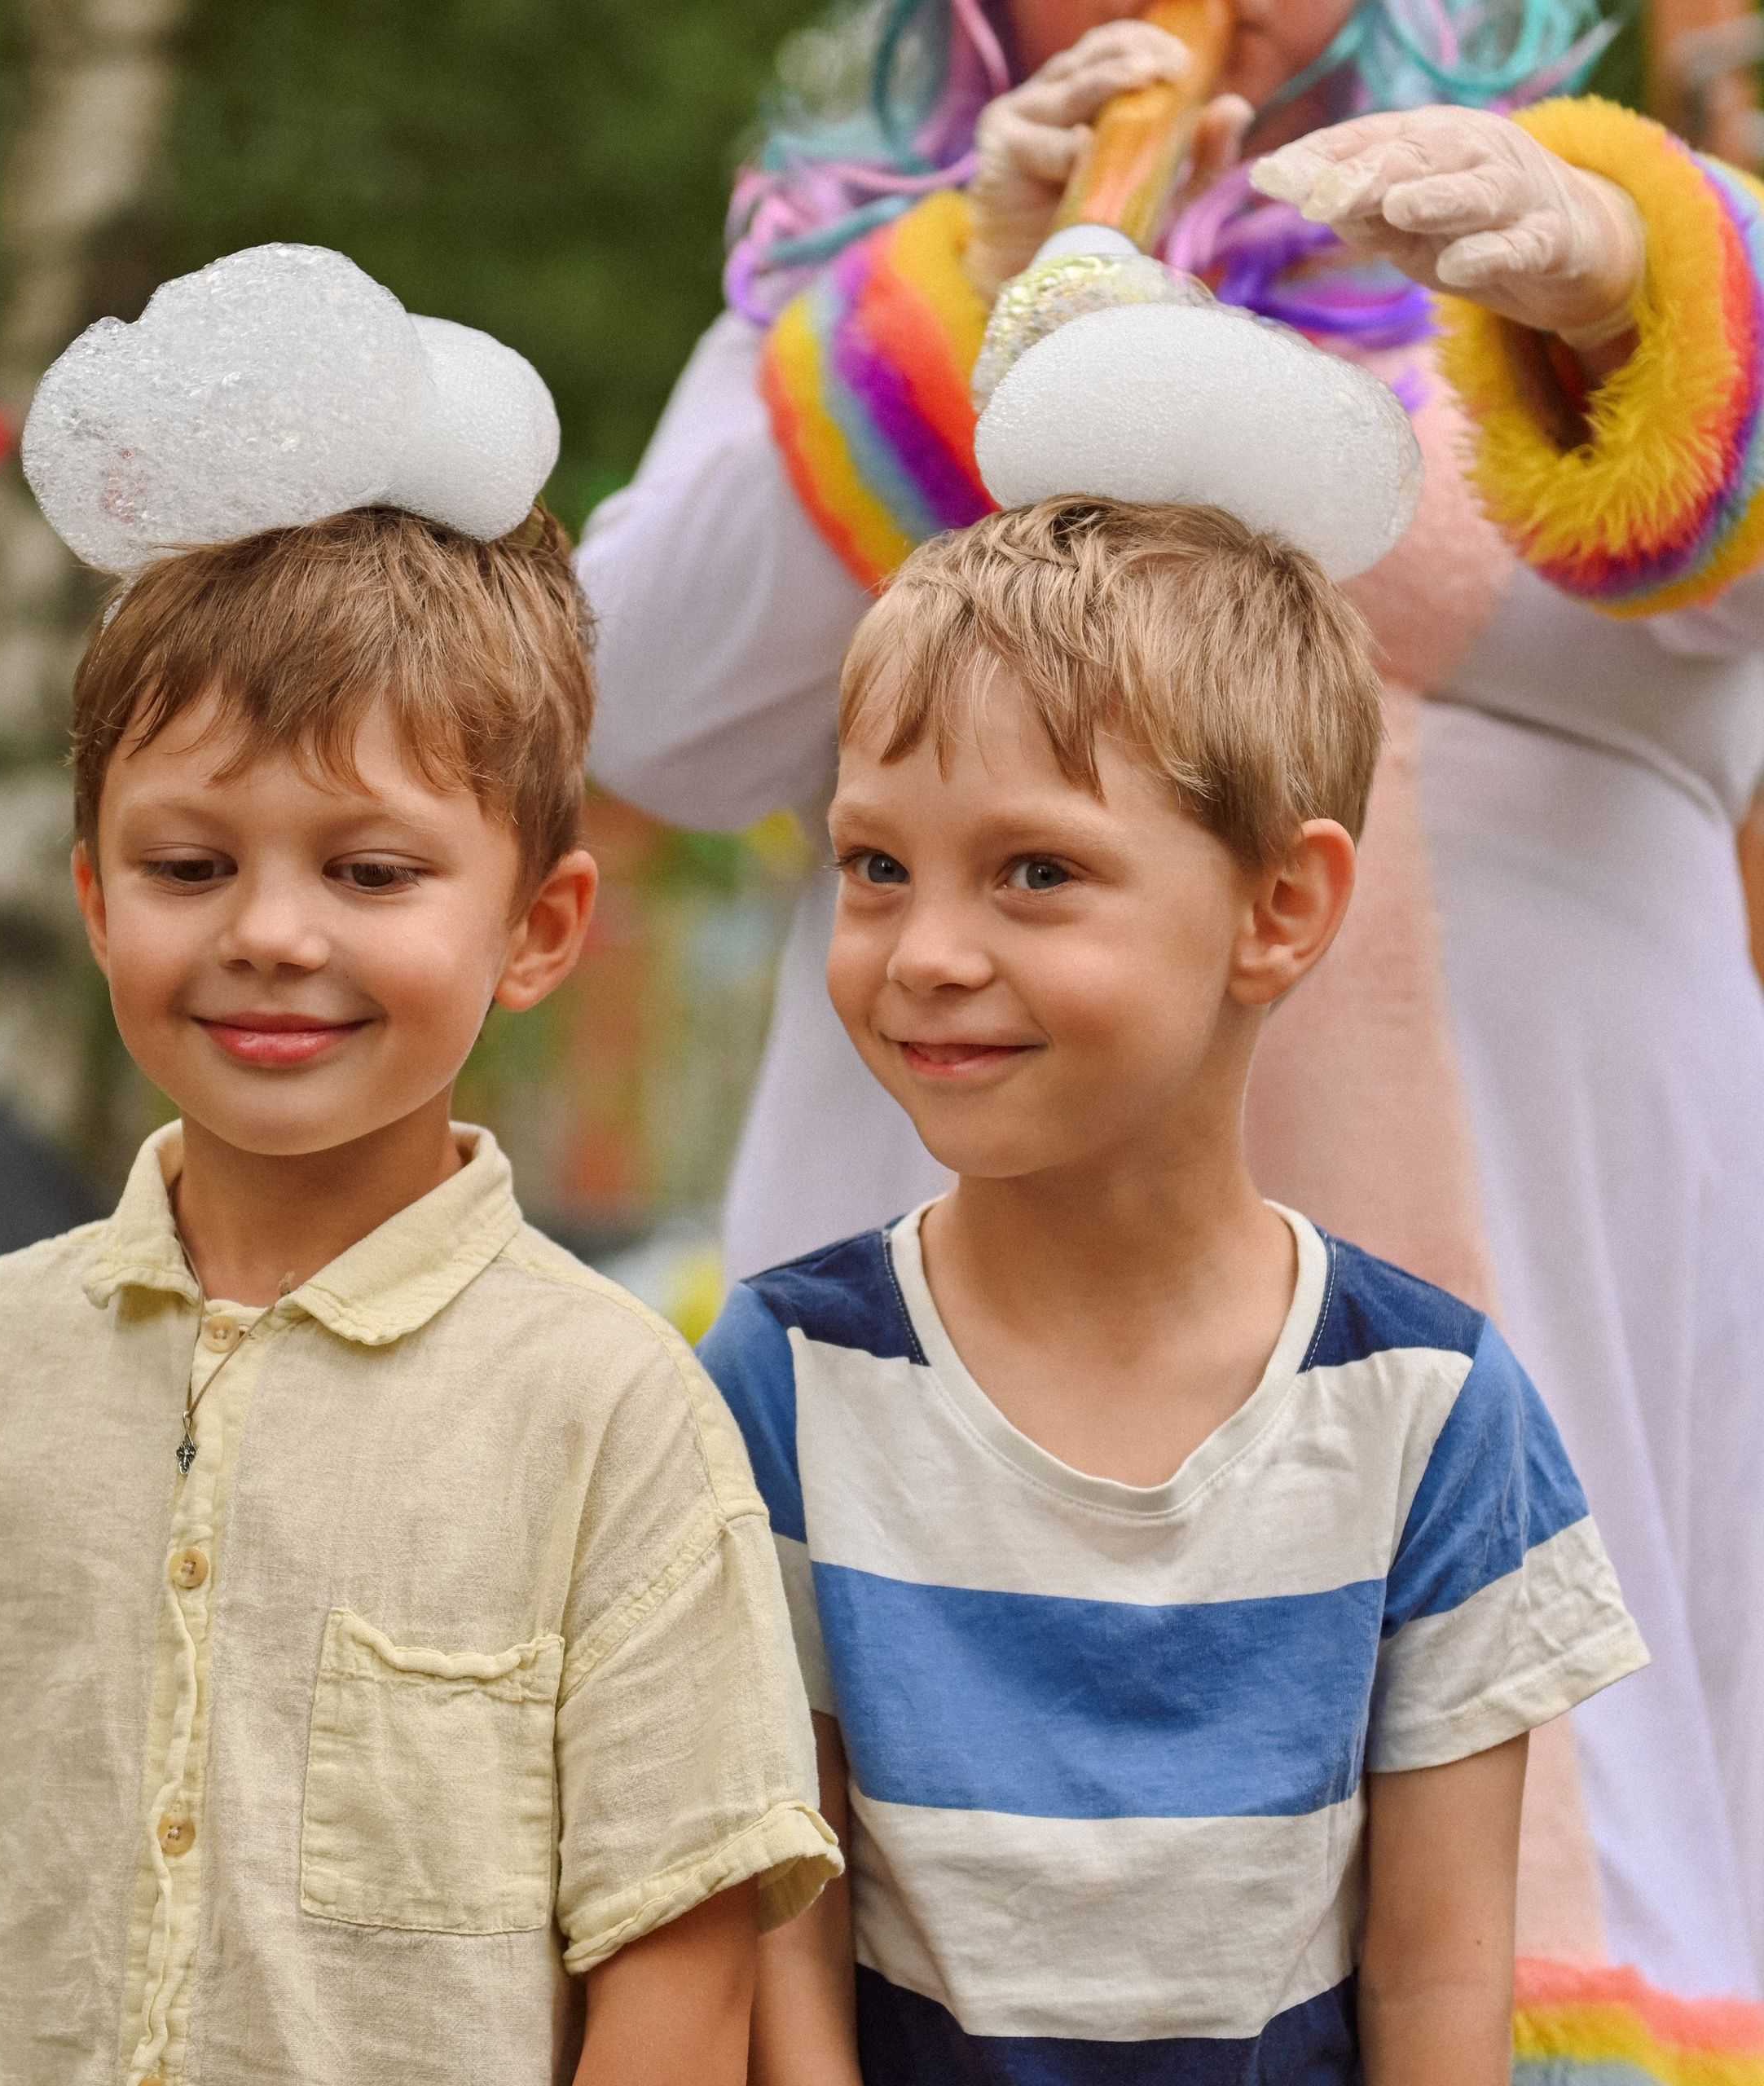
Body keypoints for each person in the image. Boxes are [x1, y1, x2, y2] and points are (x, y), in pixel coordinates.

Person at [578, 0, 1764, 1998]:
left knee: (1572, 1780)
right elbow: (649, 705)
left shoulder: (1574, 204)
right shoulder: (848, 253)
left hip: (1576, 1245)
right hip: (958, 1253)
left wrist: (1619, 279)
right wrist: (963, 292)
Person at [0, 247, 838, 2086]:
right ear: (95, 899)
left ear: (540, 927)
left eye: (371, 871)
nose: (271, 934)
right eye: (189, 866)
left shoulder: (610, 1411)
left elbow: (681, 1961)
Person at [699, 495, 1647, 2085]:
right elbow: (781, 1911)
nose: (925, 952)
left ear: (1278, 909)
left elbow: (1436, 1975)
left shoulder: (1428, 1407)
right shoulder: (786, 1374)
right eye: (876, 864)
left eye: (1034, 871)